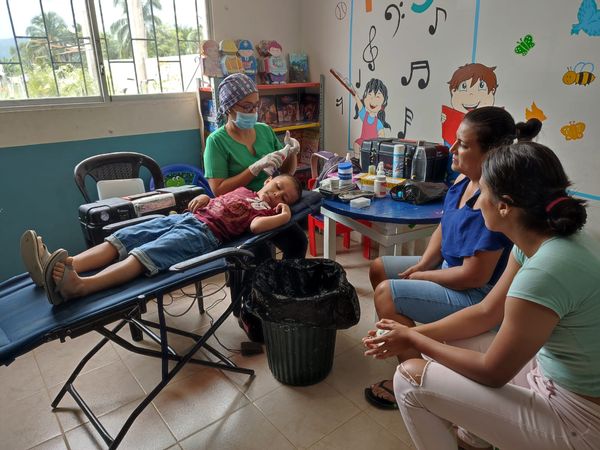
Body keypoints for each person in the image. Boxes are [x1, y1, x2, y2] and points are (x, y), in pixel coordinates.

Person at [364, 142, 600, 450]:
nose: (477, 200)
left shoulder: (544, 271)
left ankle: (473, 434)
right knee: (446, 349)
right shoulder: (540, 238)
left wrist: (413, 339)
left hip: (580, 418)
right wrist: (413, 334)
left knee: (409, 378)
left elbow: (493, 372)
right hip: (550, 373)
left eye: (483, 192)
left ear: (505, 206)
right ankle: (474, 437)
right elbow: (487, 312)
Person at [365, 107, 542, 409]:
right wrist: (423, 263)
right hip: (451, 271)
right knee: (380, 268)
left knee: (386, 294)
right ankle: (407, 348)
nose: (452, 149)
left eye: (463, 144)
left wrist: (424, 276)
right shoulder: (463, 181)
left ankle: (416, 380)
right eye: (455, 141)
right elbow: (444, 226)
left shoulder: (493, 202)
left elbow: (473, 276)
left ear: (491, 153)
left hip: (476, 292)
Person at [21, 174, 302, 305]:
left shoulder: (265, 211)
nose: (277, 194)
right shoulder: (244, 191)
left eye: (285, 197)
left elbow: (255, 227)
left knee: (143, 254)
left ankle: (81, 286)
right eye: (277, 186)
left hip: (203, 235)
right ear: (267, 180)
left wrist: (284, 215)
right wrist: (205, 198)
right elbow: (219, 200)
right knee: (122, 239)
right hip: (183, 218)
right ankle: (64, 265)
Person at [203, 72, 307, 260]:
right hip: (238, 212)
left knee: (298, 242)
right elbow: (218, 190)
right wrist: (254, 169)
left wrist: (291, 152)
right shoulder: (216, 142)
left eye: (256, 105)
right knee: (258, 256)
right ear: (228, 106)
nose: (253, 111)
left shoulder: (264, 131)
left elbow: (285, 173)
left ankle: (286, 278)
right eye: (247, 106)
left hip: (269, 206)